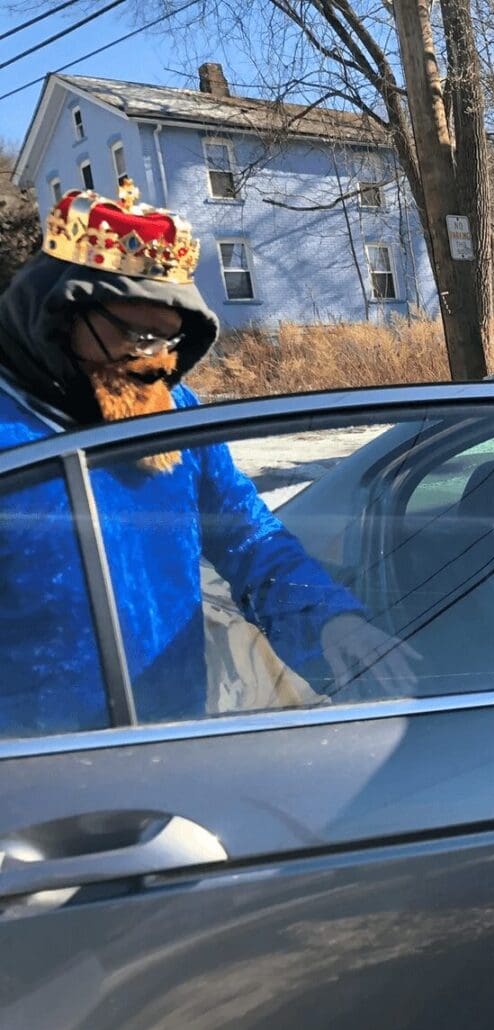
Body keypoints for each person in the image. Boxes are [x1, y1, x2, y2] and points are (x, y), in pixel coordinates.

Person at [0, 180, 412, 735]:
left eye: (171, 341)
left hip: (173, 733)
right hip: (32, 765)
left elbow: (245, 533)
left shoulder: (171, 409)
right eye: (141, 336)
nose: (158, 364)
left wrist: (330, 620)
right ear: (66, 310)